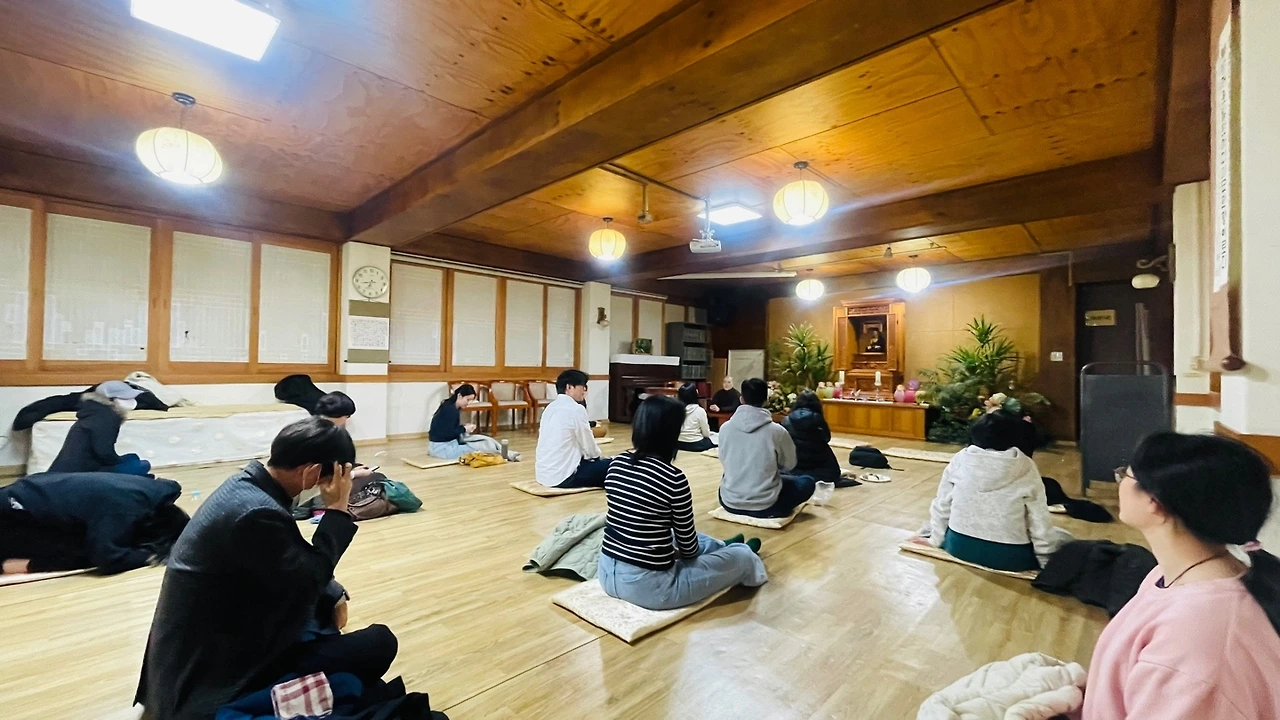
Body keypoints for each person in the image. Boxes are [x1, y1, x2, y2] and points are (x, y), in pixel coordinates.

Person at [135, 417, 399, 720]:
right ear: (311, 472)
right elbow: (309, 579)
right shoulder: (257, 513)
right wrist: (337, 511)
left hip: (200, 648)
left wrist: (333, 591)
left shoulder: (248, 487)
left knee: (330, 616)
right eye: (334, 479)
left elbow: (289, 560)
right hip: (212, 674)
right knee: (379, 643)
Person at [1081, 433, 1280, 719]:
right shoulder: (1171, 575)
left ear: (1155, 502)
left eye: (1126, 474)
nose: (1119, 480)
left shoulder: (1196, 641)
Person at [598, 395, 767, 610]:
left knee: (671, 532)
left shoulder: (616, 464)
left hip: (606, 573)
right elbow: (689, 550)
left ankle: (722, 546)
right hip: (651, 588)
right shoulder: (673, 478)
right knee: (742, 558)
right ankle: (737, 552)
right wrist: (676, 554)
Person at [920, 410, 1071, 571]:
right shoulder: (1025, 465)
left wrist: (935, 540)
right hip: (1011, 556)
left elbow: (942, 504)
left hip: (958, 547)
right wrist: (1045, 559)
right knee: (1063, 537)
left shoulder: (960, 459)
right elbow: (1039, 517)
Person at [0, 471, 187, 575]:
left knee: (89, 541)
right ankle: (13, 564)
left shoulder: (148, 492)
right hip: (10, 515)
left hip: (18, 495)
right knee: (84, 553)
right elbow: (109, 558)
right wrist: (150, 557)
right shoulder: (125, 507)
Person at [717, 378, 815, 518]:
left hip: (730, 502)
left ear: (741, 399)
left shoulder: (725, 428)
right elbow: (789, 465)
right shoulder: (777, 431)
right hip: (766, 505)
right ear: (766, 400)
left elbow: (724, 459)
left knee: (729, 475)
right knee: (807, 482)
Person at [47, 380, 152, 476]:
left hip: (78, 467)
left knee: (133, 457)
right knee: (142, 465)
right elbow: (104, 452)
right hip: (81, 472)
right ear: (111, 399)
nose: (131, 401)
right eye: (126, 398)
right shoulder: (106, 417)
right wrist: (118, 462)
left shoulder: (97, 412)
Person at [535, 369, 611, 488]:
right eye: (583, 386)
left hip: (542, 475)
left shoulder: (549, 408)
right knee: (614, 465)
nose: (585, 390)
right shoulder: (576, 409)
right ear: (569, 387)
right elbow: (589, 447)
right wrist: (599, 459)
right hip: (564, 477)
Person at [427, 384, 518, 460]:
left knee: (482, 442)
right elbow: (447, 433)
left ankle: (503, 451)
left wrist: (464, 428)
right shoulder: (450, 410)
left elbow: (448, 428)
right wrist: (464, 429)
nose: (468, 403)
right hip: (443, 448)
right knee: (480, 448)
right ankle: (504, 453)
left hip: (440, 446)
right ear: (459, 396)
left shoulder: (450, 406)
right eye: (468, 400)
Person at [781, 391, 840, 485]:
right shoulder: (817, 417)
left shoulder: (787, 419)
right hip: (818, 459)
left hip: (794, 459)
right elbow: (826, 438)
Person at [676, 382, 715, 453]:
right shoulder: (700, 411)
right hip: (695, 443)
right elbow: (706, 433)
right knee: (714, 439)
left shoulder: (676, 409)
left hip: (679, 443)